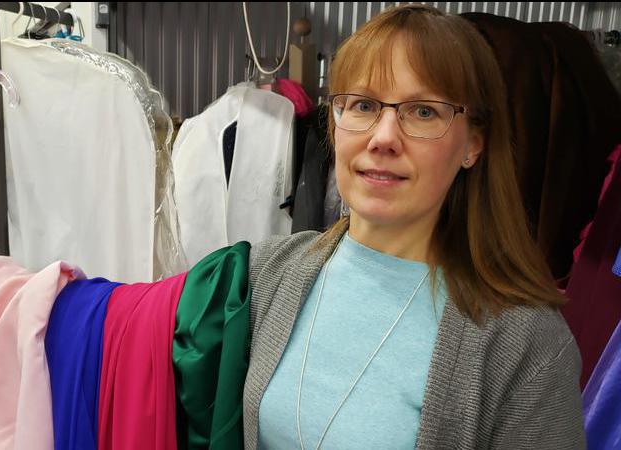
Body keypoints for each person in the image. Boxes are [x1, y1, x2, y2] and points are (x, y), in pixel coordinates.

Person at [243, 5, 585, 449]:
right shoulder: (268, 272)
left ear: (473, 144)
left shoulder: (527, 344)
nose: (384, 138)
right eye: (363, 105)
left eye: (423, 111)